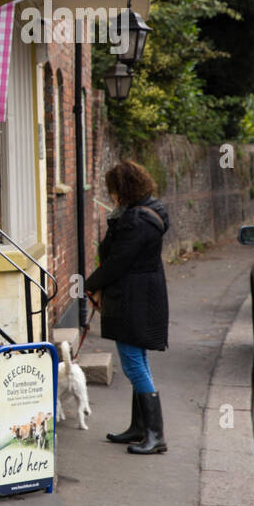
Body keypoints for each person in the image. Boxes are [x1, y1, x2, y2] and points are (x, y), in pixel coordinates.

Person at [84, 160, 170, 455]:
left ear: (123, 189)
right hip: (144, 294)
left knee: (133, 362)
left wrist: (89, 285)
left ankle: (156, 436)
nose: (111, 196)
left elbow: (118, 260)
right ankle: (139, 428)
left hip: (133, 297)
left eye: (113, 190)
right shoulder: (149, 211)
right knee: (139, 359)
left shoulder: (135, 220)